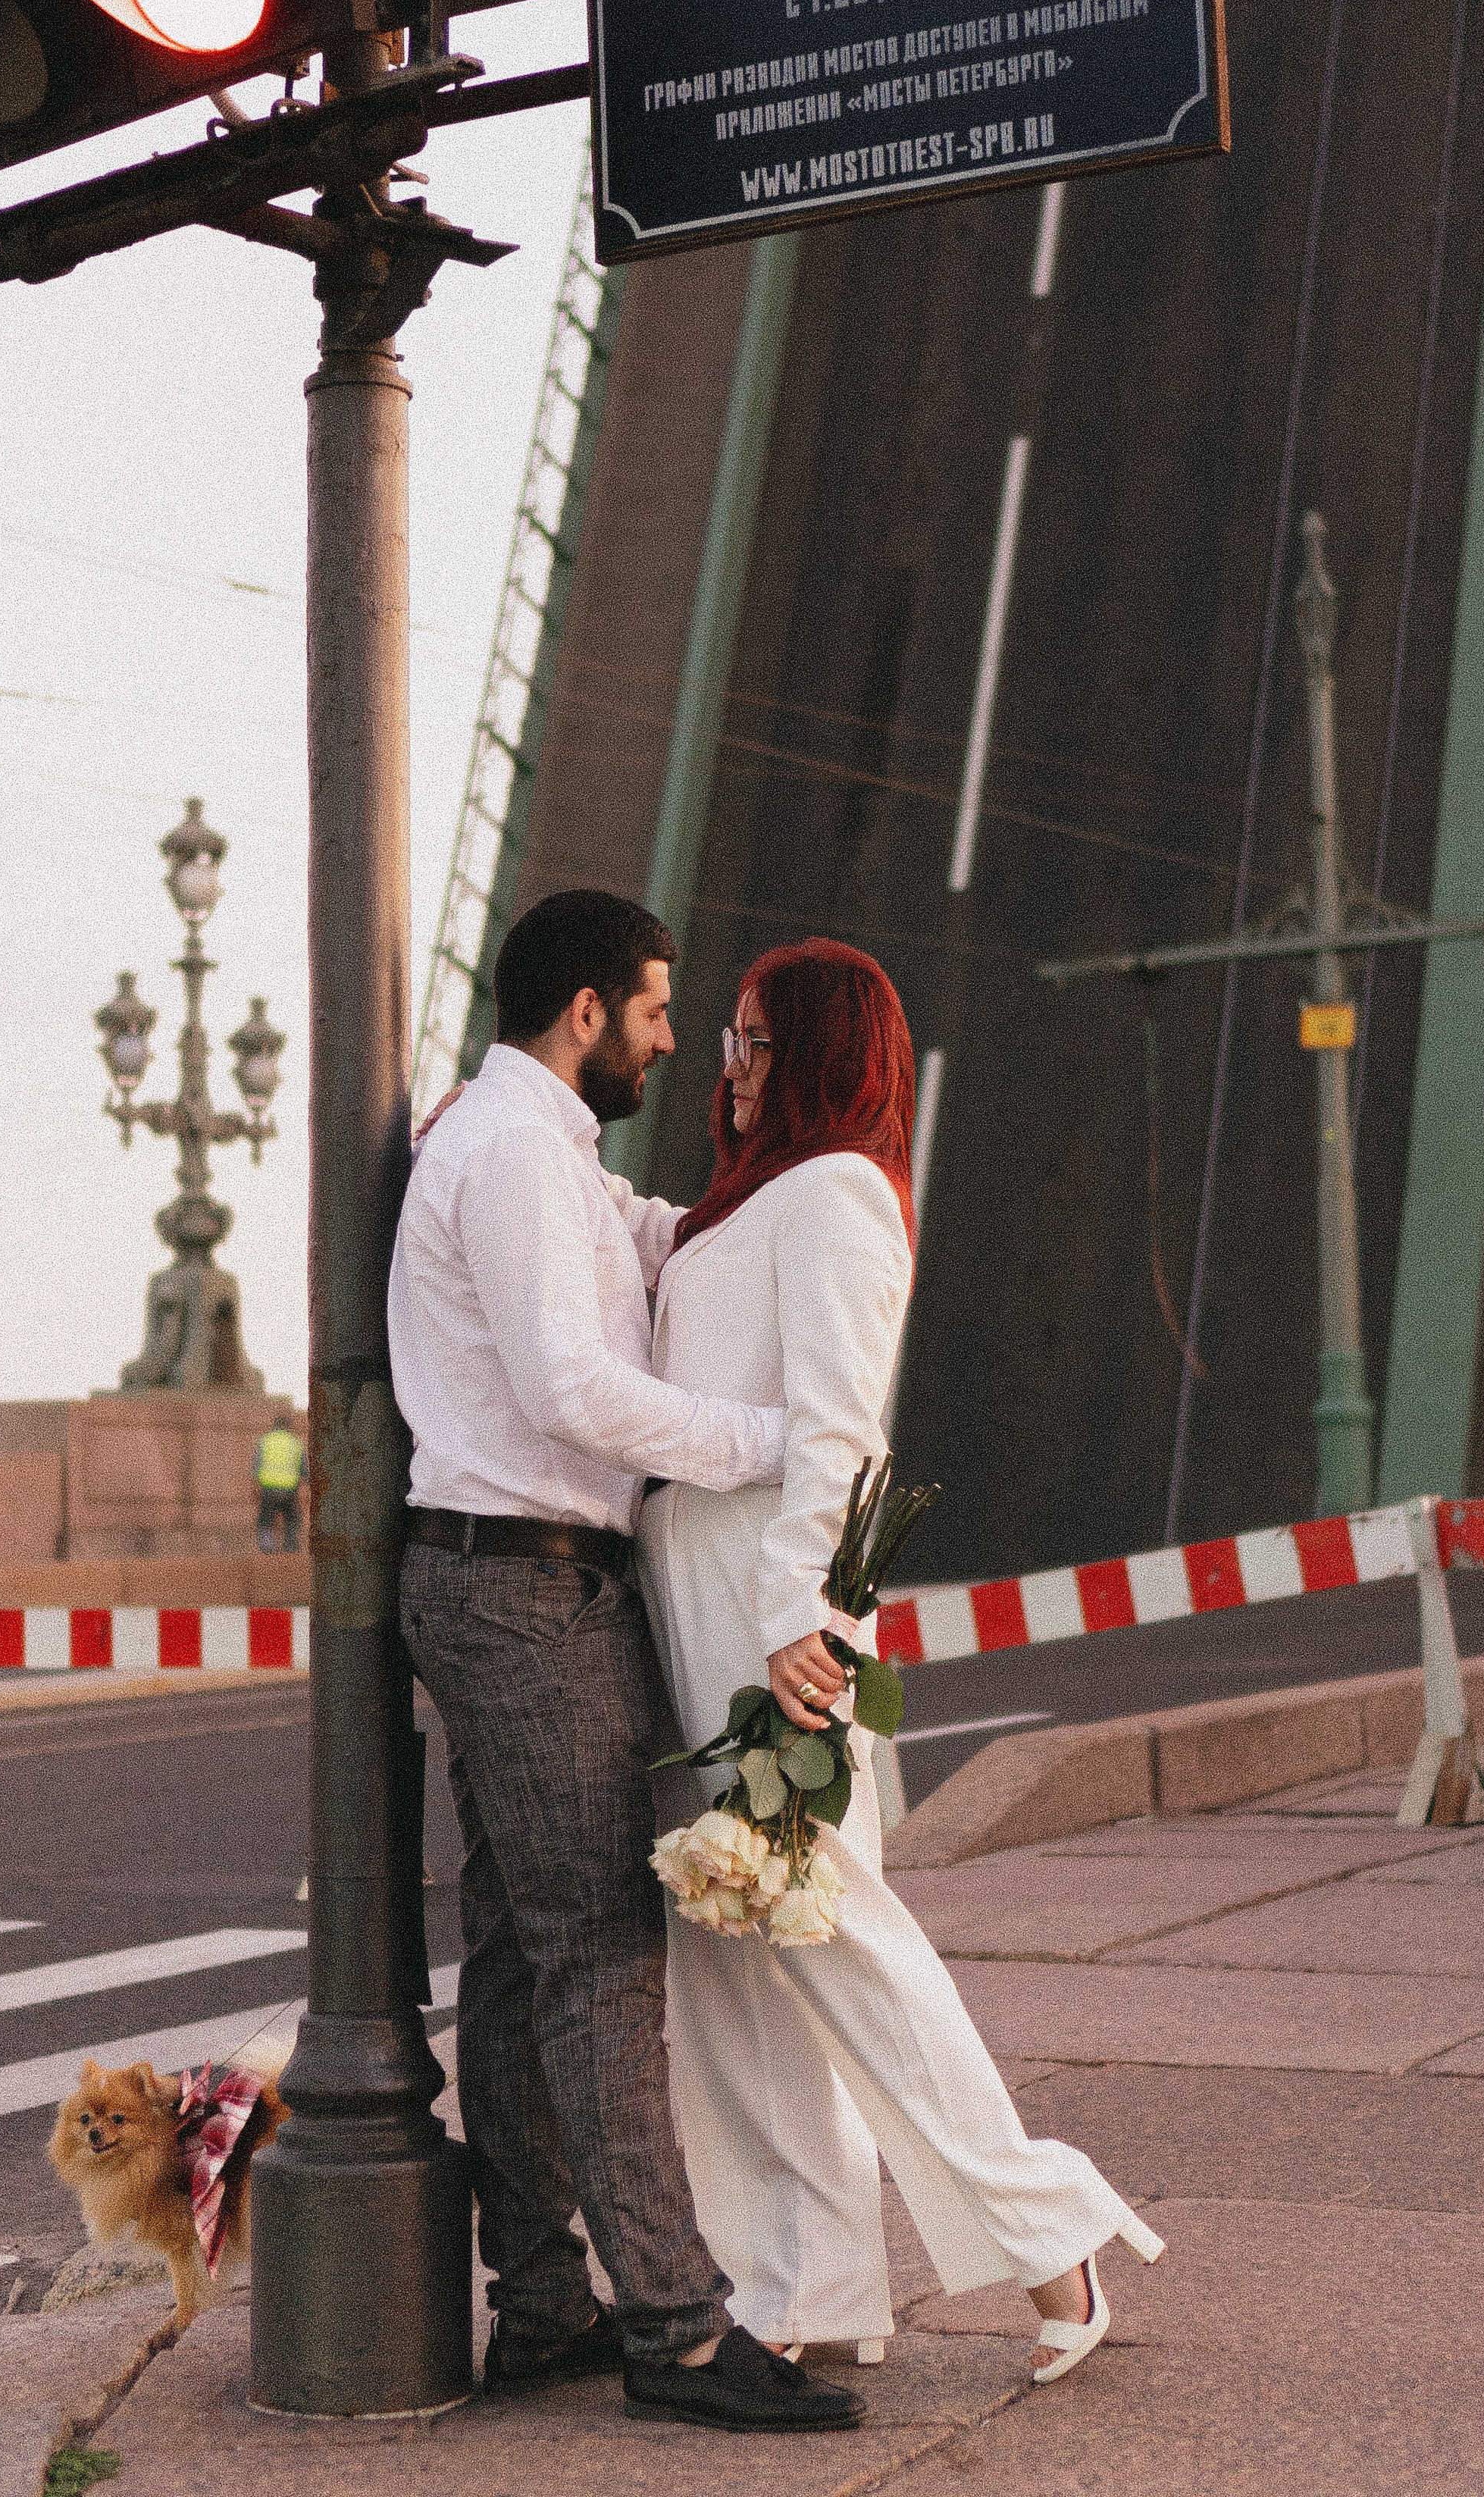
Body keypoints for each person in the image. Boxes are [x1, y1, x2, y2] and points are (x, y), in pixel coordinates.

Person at [635, 938, 1163, 2383]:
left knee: (833, 1932)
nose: (730, 1068)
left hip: (768, 1601)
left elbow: (841, 1427)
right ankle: (802, 2285)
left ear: (818, 1052)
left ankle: (1049, 2231)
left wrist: (798, 1611)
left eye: (756, 1041)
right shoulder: (745, 1203)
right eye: (729, 1040)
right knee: (735, 1952)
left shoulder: (838, 1194)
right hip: (701, 1586)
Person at [389, 889, 865, 2435]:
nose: (669, 1040)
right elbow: (570, 1389)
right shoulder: (515, 1153)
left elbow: (661, 1245)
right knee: (601, 1954)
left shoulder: (543, 1152)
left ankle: (542, 2306)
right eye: (656, 1012)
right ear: (586, 1011)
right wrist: (777, 1440)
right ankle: (677, 2329)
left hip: (506, 1580)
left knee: (524, 1955)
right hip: (524, 1588)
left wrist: (760, 1182)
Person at [253, 1414, 306, 1554]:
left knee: (266, 1516)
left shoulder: (265, 1440)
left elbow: (256, 1464)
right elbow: (304, 1467)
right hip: (290, 1488)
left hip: (269, 1487)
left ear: (274, 1426)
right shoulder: (296, 1442)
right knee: (292, 1517)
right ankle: (291, 1544)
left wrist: (255, 1485)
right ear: (289, 1427)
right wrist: (307, 1483)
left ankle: (267, 1546)